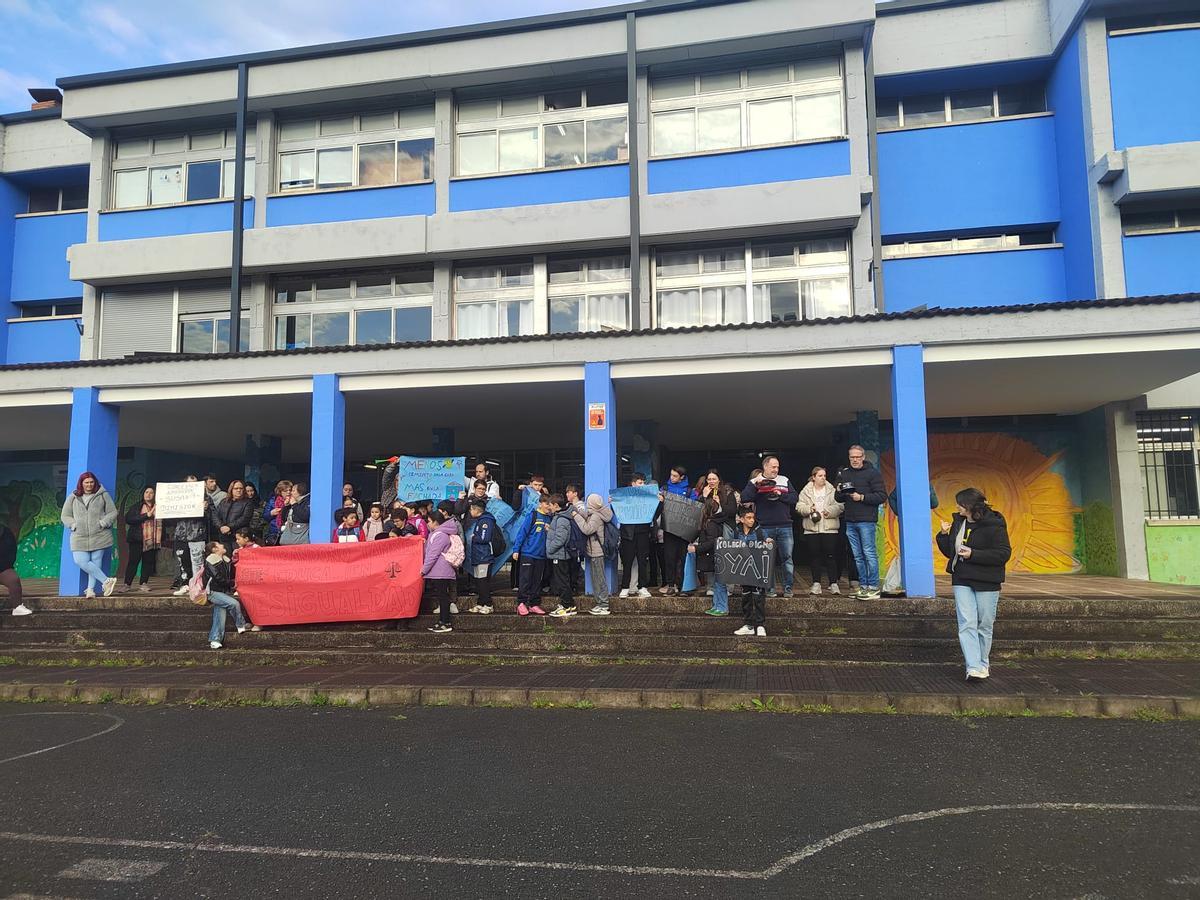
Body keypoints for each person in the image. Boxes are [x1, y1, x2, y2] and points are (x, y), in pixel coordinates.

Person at [937, 488, 1012, 682]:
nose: (957, 507)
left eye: (960, 504)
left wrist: (974, 554)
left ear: (970, 507)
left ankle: (983, 663)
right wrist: (943, 535)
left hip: (987, 580)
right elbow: (951, 553)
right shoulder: (958, 522)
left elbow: (1003, 554)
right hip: (961, 579)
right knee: (967, 622)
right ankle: (973, 667)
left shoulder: (995, 525)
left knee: (984, 624)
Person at [834, 445, 887, 601]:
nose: (855, 460)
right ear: (849, 458)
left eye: (858, 457)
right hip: (850, 520)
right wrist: (839, 490)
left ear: (863, 457)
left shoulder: (873, 474)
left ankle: (873, 587)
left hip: (867, 520)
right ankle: (863, 586)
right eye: (852, 457)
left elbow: (882, 496)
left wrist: (862, 497)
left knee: (869, 553)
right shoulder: (844, 474)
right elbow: (838, 499)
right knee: (857, 556)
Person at [740, 456, 798, 597]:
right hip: (765, 526)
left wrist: (780, 495)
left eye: (777, 467)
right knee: (767, 559)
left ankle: (788, 588)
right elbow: (744, 497)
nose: (776, 469)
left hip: (785, 525)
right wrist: (756, 485)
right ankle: (769, 588)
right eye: (773, 467)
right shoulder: (756, 481)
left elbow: (795, 498)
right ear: (765, 466)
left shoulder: (784, 480)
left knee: (787, 558)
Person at [60, 471, 118, 599]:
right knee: (80, 561)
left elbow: (112, 512)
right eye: (86, 482)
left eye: (91, 482)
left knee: (96, 562)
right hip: (79, 536)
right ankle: (106, 581)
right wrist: (73, 525)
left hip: (100, 534)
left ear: (95, 482)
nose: (89, 485)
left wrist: (103, 523)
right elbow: (65, 515)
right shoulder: (73, 497)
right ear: (81, 483)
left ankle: (90, 590)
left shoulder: (103, 495)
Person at [882, 484, 940, 597]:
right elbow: (892, 498)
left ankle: (918, 582)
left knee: (921, 553)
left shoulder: (926, 484)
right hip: (906, 522)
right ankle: (896, 583)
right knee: (904, 553)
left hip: (921, 523)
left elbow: (934, 503)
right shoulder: (903, 483)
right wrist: (900, 512)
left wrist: (928, 495)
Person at [690, 478, 736, 617]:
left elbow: (713, 541)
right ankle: (717, 606)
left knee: (720, 583)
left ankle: (722, 608)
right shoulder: (715, 521)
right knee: (717, 583)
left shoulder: (711, 524)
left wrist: (696, 549)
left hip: (717, 558)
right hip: (716, 558)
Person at [795, 467, 845, 595]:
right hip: (812, 528)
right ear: (814, 477)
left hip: (829, 528)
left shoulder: (831, 490)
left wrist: (830, 512)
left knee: (831, 555)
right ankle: (816, 583)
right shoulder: (806, 491)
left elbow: (840, 506)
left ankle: (833, 584)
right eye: (820, 475)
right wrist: (809, 509)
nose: (823, 478)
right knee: (814, 556)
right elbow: (799, 507)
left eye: (824, 475)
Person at [572, 492, 615, 616]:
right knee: (596, 578)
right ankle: (600, 603)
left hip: (597, 552)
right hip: (594, 551)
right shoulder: (597, 513)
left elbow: (587, 529)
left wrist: (576, 516)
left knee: (599, 579)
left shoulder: (596, 516)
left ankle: (604, 605)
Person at [731, 504, 771, 637]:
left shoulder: (759, 531)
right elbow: (730, 547)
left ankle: (760, 625)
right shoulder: (736, 532)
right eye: (748, 518)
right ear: (741, 519)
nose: (751, 520)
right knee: (746, 598)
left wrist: (768, 541)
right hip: (743, 570)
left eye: (752, 518)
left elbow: (767, 541)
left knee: (759, 597)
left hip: (758, 569)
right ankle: (748, 624)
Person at [202, 540, 248, 650]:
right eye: (219, 545)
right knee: (234, 603)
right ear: (214, 549)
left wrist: (235, 556)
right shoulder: (211, 560)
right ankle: (241, 624)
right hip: (213, 592)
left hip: (222, 592)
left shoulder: (225, 560)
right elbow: (218, 578)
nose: (223, 545)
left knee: (220, 613)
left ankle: (215, 640)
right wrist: (232, 583)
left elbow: (232, 571)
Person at [511, 493, 551, 616]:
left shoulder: (550, 518)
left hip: (541, 555)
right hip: (528, 553)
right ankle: (521, 603)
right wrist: (516, 549)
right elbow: (522, 532)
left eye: (550, 504)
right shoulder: (532, 515)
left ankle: (534, 604)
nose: (548, 506)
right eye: (546, 503)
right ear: (541, 503)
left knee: (536, 581)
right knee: (525, 579)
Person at [617, 472, 653, 600]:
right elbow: (618, 510)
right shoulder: (624, 498)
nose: (642, 485)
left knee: (642, 561)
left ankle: (642, 587)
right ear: (633, 484)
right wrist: (613, 502)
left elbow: (654, 513)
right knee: (627, 561)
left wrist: (659, 502)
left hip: (643, 533)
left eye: (643, 482)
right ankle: (625, 587)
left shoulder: (648, 498)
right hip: (628, 534)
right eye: (640, 482)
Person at [422, 508, 459, 634]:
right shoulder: (438, 534)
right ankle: (442, 621)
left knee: (443, 597)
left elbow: (432, 555)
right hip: (440, 571)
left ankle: (445, 622)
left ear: (435, 522)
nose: (427, 524)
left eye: (429, 521)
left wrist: (423, 570)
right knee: (442, 596)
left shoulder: (440, 535)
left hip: (441, 571)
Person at [171, 474, 208, 596]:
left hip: (197, 536)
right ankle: (185, 585)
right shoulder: (177, 497)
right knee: (183, 562)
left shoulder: (205, 498)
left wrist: (206, 509)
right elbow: (170, 518)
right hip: (180, 536)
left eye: (196, 484)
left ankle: (198, 586)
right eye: (190, 484)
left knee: (198, 563)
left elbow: (212, 517)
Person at [121, 486, 162, 593]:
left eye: (151, 492)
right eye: (147, 492)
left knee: (148, 562)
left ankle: (144, 583)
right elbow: (129, 519)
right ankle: (127, 584)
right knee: (133, 562)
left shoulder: (160, 507)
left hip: (152, 540)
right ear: (143, 494)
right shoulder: (137, 506)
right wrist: (146, 515)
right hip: (137, 539)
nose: (149, 494)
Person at [659, 465, 691, 596]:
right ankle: (671, 585)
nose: (672, 478)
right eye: (671, 475)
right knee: (669, 558)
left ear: (682, 477)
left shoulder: (689, 491)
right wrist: (659, 501)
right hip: (669, 530)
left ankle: (683, 585)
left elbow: (695, 508)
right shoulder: (664, 489)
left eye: (675, 476)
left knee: (683, 559)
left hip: (684, 531)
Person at [545, 494, 578, 617]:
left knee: (562, 581)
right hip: (559, 554)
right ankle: (567, 604)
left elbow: (561, 539)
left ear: (556, 505)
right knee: (562, 580)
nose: (549, 507)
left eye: (550, 505)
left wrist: (550, 548)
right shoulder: (559, 517)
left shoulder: (562, 519)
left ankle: (567, 605)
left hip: (560, 555)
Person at [465, 498, 498, 614]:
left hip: (484, 556)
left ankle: (488, 604)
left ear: (475, 509)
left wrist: (474, 537)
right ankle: (481, 602)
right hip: (478, 556)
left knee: (483, 581)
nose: (470, 512)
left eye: (470, 510)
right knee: (479, 581)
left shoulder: (485, 521)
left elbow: (485, 538)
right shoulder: (480, 520)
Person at [210, 480, 253, 555]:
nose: (239, 490)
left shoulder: (248, 503)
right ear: (231, 490)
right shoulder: (224, 501)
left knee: (238, 557)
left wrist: (229, 527)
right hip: (223, 536)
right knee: (226, 558)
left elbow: (245, 518)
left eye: (241, 488)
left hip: (239, 537)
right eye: (236, 488)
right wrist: (221, 527)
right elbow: (215, 515)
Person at [1, 523, 31, 616]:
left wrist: (4, 566)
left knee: (13, 579)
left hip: (2, 568)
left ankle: (17, 606)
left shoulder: (5, 532)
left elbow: (11, 552)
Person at [267, 480, 293, 544]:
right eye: (285, 491)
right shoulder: (273, 501)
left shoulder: (294, 501)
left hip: (289, 530)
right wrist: (271, 513)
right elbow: (265, 516)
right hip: (275, 530)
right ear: (280, 492)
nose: (288, 492)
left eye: (290, 490)